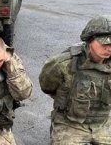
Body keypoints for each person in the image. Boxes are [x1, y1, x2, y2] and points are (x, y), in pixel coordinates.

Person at [40, 15, 111, 144]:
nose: (109, 48)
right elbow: (47, 85)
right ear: (89, 41)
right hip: (70, 123)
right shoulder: (64, 63)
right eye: (104, 43)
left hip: (103, 124)